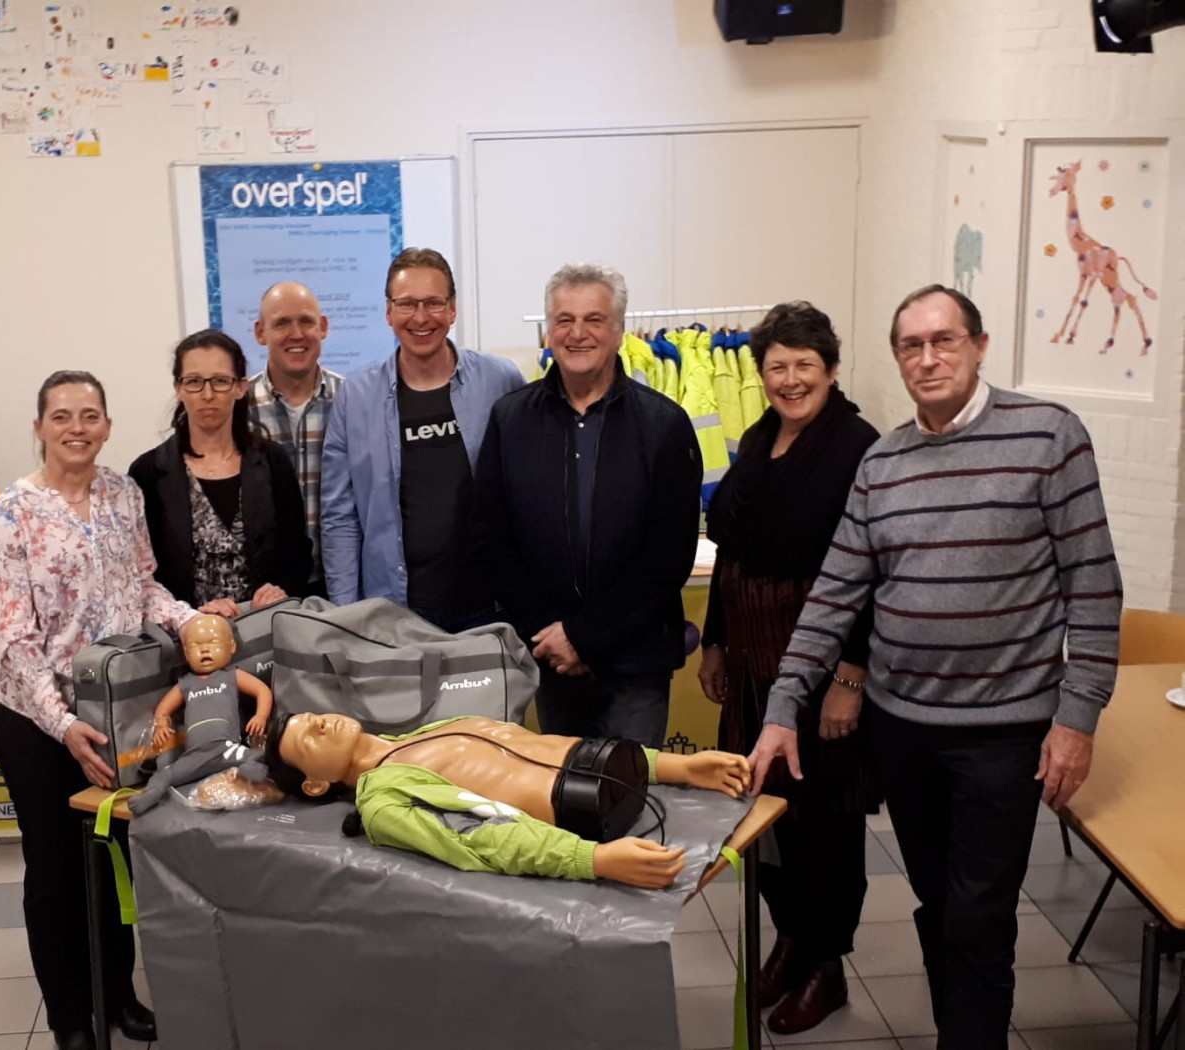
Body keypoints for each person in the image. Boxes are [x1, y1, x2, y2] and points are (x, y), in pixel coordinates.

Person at [748, 285, 1123, 1050]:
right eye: (910, 345)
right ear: (896, 358)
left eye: (943, 340)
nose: (927, 358)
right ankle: (961, 1026)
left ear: (978, 346)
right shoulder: (883, 462)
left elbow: (1092, 586)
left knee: (977, 917)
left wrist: (1077, 718)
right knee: (939, 903)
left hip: (1003, 733)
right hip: (903, 730)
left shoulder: (1048, 436)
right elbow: (835, 594)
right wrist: (783, 706)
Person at [0, 370, 198, 1050]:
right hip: (38, 724)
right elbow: (15, 641)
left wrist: (187, 620)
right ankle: (71, 1017)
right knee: (54, 875)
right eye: (61, 416)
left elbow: (143, 586)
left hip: (115, 711)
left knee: (113, 858)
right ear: (39, 427)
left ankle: (118, 995)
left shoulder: (123, 494)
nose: (77, 427)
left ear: (106, 425)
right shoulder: (9, 516)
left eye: (90, 415)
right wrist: (62, 723)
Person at [695, 301, 879, 1034]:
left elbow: (873, 573)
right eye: (777, 366)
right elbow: (731, 554)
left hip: (821, 675)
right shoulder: (757, 437)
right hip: (750, 667)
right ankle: (790, 939)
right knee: (762, 819)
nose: (791, 379)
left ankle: (826, 963)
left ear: (830, 370)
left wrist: (850, 679)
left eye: (805, 364)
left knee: (824, 827)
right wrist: (715, 642)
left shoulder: (858, 448)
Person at [472, 263, 701, 748]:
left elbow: (668, 556)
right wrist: (553, 635)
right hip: (550, 658)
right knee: (564, 791)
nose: (578, 333)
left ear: (619, 330)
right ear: (548, 331)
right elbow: (491, 540)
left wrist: (584, 637)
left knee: (628, 788)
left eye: (594, 319)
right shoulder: (510, 420)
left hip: (636, 663)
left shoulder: (665, 425)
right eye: (564, 320)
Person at [262, 711, 751, 887]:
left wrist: (674, 766)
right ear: (315, 785)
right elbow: (478, 839)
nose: (320, 722)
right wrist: (591, 859)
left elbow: (545, 745)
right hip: (583, 813)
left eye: (312, 715)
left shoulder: (425, 731)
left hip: (608, 767)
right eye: (308, 738)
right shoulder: (383, 802)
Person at [320, 247, 524, 630]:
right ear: (388, 311)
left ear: (452, 308)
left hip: (491, 608)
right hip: (394, 613)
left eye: (433, 302)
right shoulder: (356, 397)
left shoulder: (500, 380)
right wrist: (344, 616)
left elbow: (530, 492)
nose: (420, 317)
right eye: (407, 304)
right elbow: (340, 517)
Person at [130, 328, 311, 616]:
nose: (207, 394)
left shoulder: (272, 461)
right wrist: (188, 614)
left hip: (265, 626)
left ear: (240, 387)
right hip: (185, 632)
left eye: (220, 381)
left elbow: (298, 554)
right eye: (194, 382)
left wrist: (280, 589)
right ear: (178, 388)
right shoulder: (148, 473)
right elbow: (144, 575)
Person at [250, 281, 344, 595]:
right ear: (260, 332)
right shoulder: (237, 408)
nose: (296, 334)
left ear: (323, 327)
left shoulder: (353, 401)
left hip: (340, 584)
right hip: (264, 591)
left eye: (306, 321)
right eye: (281, 324)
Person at [127, 614, 272, 816]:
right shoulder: (186, 683)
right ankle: (151, 794)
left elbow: (262, 690)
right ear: (186, 653)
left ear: (231, 647)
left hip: (226, 749)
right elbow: (163, 708)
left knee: (260, 755)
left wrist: (260, 717)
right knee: (165, 775)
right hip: (194, 756)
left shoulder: (231, 676)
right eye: (196, 646)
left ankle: (252, 772)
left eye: (213, 643)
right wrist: (161, 725)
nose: (204, 650)